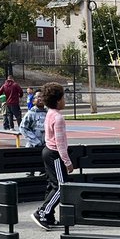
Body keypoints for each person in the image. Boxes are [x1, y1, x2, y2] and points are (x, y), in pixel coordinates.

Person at [33, 83, 73, 231]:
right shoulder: (58, 118)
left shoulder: (49, 112)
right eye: (64, 98)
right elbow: (60, 143)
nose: (65, 101)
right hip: (55, 154)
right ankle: (42, 212)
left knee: (52, 185)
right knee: (61, 187)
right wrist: (67, 162)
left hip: (47, 151)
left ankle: (49, 216)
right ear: (58, 101)